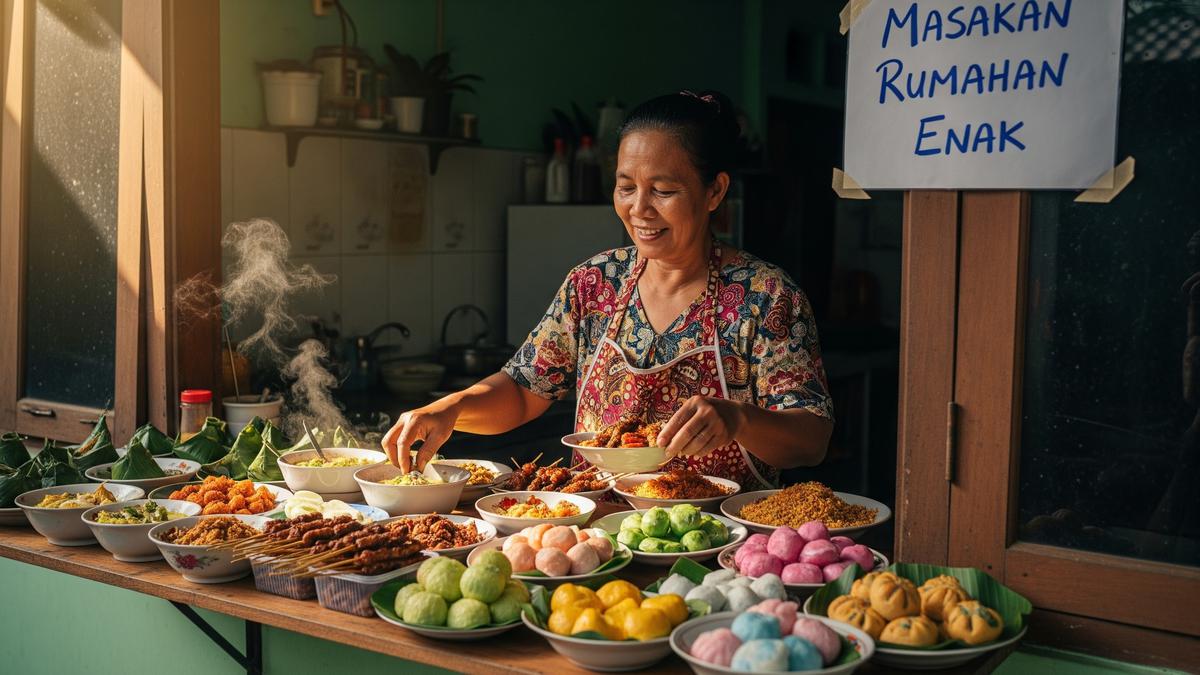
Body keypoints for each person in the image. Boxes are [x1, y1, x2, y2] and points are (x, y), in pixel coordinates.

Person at [383, 90, 833, 490]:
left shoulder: (766, 296)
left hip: (717, 539)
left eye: (663, 190)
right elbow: (523, 390)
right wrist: (451, 408)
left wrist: (738, 418)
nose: (639, 209)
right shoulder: (595, 283)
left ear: (714, 191)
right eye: (626, 187)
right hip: (596, 531)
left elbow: (811, 440)